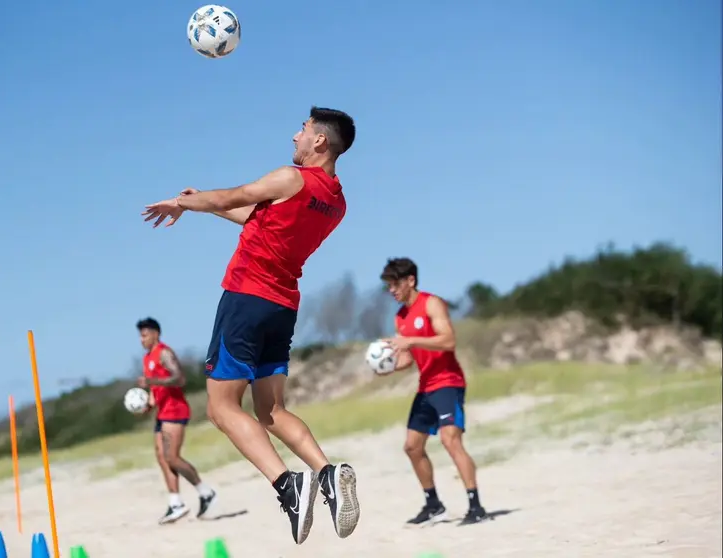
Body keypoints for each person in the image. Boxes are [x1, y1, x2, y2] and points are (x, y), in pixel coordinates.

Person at [141, 106, 360, 545]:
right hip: (282, 306)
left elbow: (235, 196)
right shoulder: (336, 202)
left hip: (245, 297)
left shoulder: (291, 177)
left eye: (302, 130)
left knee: (222, 408)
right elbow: (258, 218)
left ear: (320, 141)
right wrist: (208, 203)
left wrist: (183, 202)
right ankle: (327, 473)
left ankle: (288, 485)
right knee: (271, 412)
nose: (294, 136)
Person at [378, 257, 488, 527]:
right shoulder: (400, 317)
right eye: (388, 286)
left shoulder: (431, 303)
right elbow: (408, 359)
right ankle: (433, 504)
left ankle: (476, 506)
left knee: (451, 440)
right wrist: (387, 365)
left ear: (410, 280)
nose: (391, 290)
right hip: (426, 386)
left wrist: (411, 340)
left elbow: (448, 340)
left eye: (395, 284)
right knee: (412, 447)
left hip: (448, 382)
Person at [135, 317, 218, 524]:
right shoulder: (147, 359)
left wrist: (151, 381)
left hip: (176, 411)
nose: (141, 339)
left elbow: (179, 378)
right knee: (161, 457)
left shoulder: (164, 353)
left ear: (155, 333)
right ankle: (176, 503)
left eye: (144, 335)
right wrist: (149, 405)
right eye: (140, 335)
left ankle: (205, 492)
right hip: (162, 412)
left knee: (172, 457)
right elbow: (156, 391)